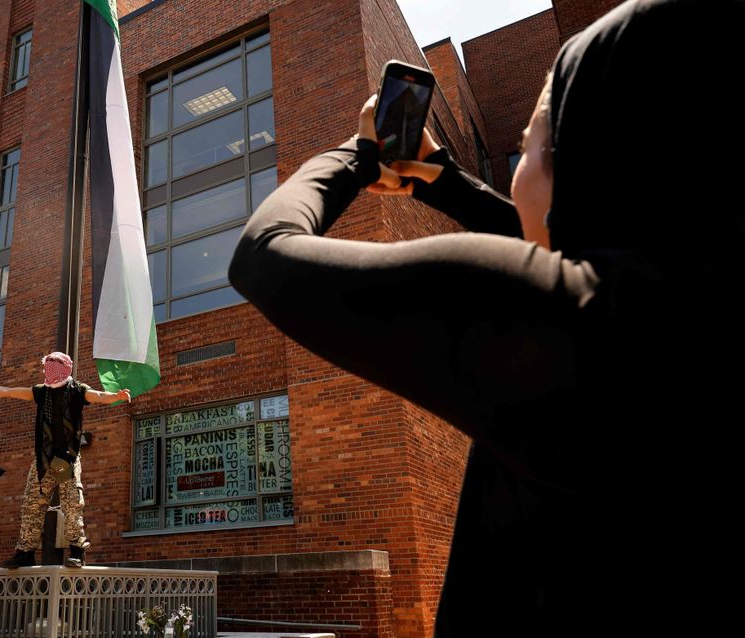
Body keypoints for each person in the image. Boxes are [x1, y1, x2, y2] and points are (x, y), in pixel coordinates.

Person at [227, 0, 743, 635]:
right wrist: (440, 179)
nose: (518, 164)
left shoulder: (581, 330)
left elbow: (262, 255)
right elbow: (549, 244)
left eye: (525, 148)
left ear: (580, 164)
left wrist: (358, 154)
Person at [0, 352, 130, 568]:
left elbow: (98, 396)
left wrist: (115, 396)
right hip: (43, 460)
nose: (47, 372)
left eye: (52, 368)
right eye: (46, 368)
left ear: (64, 368)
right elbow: (8, 392)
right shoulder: (41, 392)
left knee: (72, 504)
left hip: (68, 459)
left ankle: (77, 551)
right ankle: (25, 552)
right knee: (32, 504)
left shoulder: (78, 390)